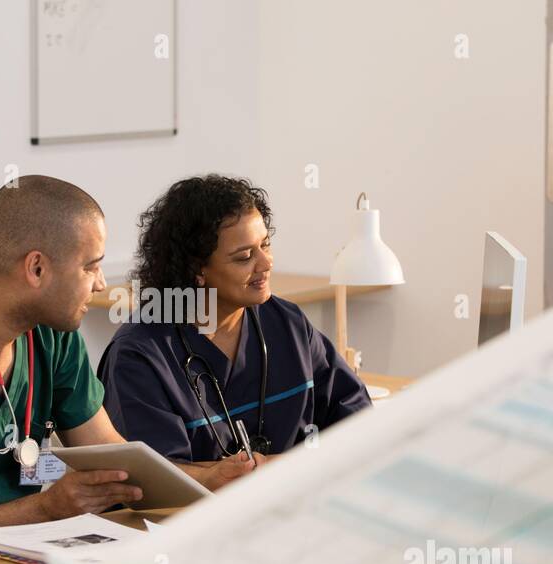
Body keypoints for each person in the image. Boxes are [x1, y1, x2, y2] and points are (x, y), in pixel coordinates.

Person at [0, 176, 254, 559]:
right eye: (90, 266)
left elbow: (110, 457)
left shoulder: (51, 329)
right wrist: (46, 509)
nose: (101, 284)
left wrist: (207, 479)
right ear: (36, 269)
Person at [97, 175, 371, 464]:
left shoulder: (288, 324)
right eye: (244, 257)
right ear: (197, 269)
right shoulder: (140, 355)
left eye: (265, 245)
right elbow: (155, 475)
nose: (266, 263)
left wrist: (280, 468)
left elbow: (358, 419)